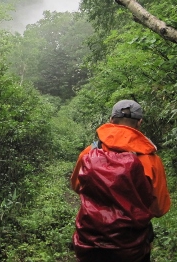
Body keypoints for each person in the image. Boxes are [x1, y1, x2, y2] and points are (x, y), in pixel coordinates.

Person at [71, 100, 171, 262]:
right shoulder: (151, 160)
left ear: (111, 120)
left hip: (90, 242)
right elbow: (159, 208)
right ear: (139, 122)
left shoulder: (89, 153)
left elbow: (77, 186)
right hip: (131, 247)